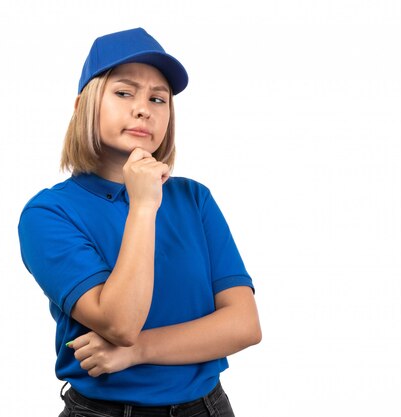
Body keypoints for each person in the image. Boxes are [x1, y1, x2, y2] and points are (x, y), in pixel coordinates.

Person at [18, 27, 261, 417]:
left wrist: (138, 351)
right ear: (84, 105)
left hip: (207, 408)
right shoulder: (49, 213)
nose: (143, 108)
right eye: (124, 92)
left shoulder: (193, 199)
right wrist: (143, 205)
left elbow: (244, 324)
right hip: (105, 411)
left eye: (158, 98)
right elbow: (119, 323)